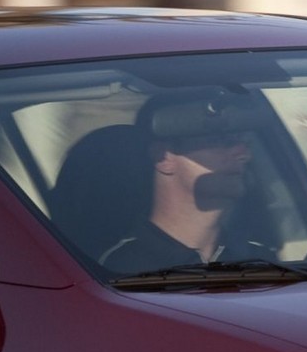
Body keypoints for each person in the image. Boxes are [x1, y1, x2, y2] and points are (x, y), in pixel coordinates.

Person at [96, 88, 282, 274]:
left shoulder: (260, 260)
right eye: (219, 140)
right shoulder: (120, 268)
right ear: (164, 158)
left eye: (245, 142)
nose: (244, 154)